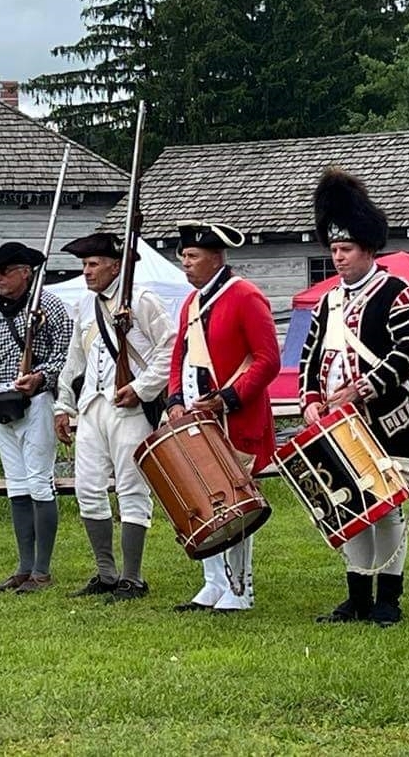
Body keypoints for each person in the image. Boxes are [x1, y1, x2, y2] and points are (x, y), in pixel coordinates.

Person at [300, 167, 409, 627]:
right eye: (333, 249)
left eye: (346, 249)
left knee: (387, 508)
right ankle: (356, 596)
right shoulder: (326, 303)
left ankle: (388, 597)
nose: (338, 257)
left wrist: (363, 388)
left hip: (386, 419)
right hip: (337, 423)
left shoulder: (399, 293)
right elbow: (310, 359)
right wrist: (311, 399)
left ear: (368, 249)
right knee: (347, 504)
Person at [165, 220, 280, 613]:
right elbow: (179, 356)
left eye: (193, 256)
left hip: (233, 417)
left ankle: (240, 587)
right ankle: (214, 582)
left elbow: (267, 360)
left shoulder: (245, 296)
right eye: (184, 256)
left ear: (216, 258)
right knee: (203, 496)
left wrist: (228, 398)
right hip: (196, 417)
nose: (186, 263)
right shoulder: (191, 304)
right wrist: (175, 399)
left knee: (235, 502)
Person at [55, 232, 175, 602]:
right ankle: (106, 573)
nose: (87, 272)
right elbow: (76, 359)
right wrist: (63, 404)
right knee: (89, 488)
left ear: (114, 265)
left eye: (93, 265)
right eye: (84, 265)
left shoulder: (142, 300)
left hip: (131, 408)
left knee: (131, 489)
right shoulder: (86, 306)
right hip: (93, 406)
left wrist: (140, 389)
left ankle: (132, 577)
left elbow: (169, 347)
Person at [0, 241, 73, 594]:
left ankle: (42, 569)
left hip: (36, 400)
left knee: (38, 482)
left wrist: (40, 377)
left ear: (25, 273)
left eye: (6, 271)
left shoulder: (48, 306)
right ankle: (23, 565)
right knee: (16, 484)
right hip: (2, 402)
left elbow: (64, 355)